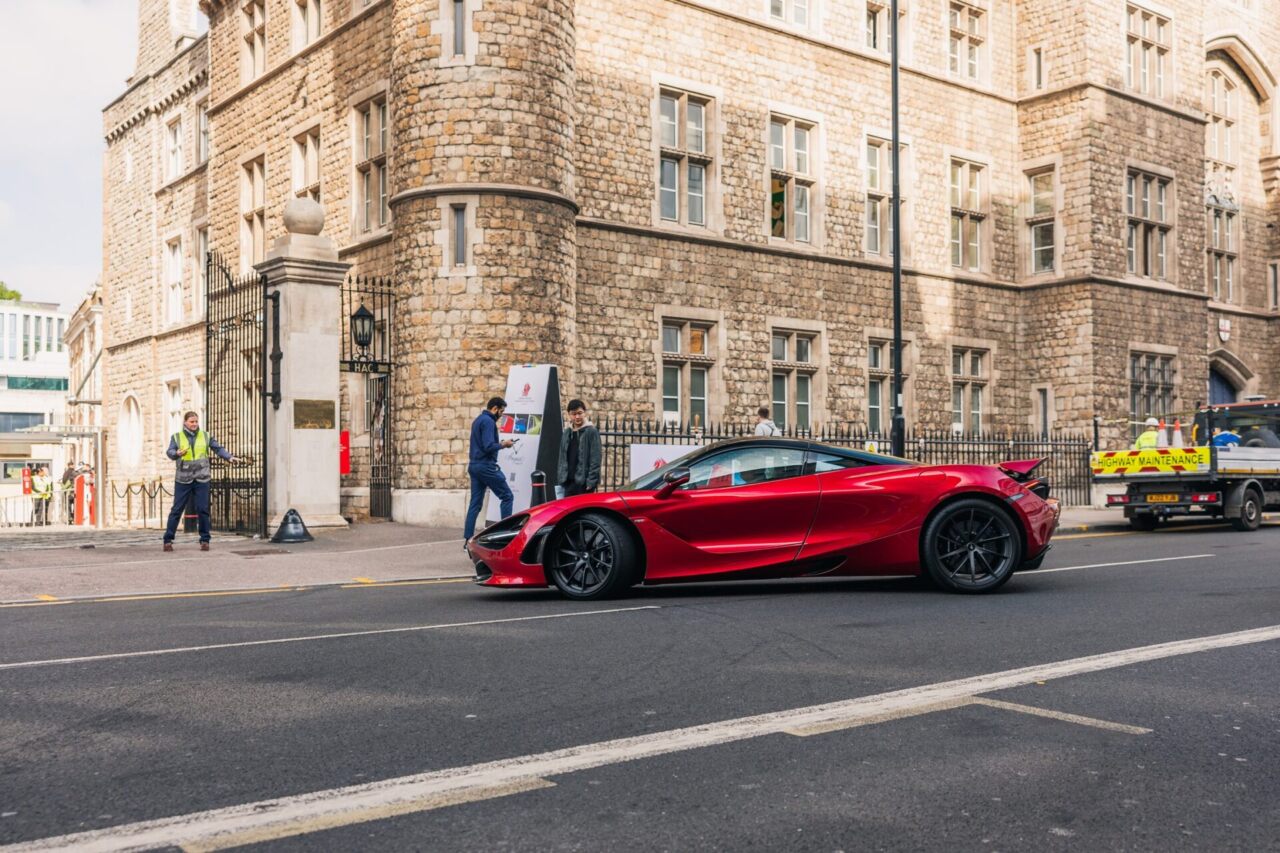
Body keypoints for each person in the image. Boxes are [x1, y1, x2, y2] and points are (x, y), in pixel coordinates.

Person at [163, 411, 236, 552]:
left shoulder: (205, 435)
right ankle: (168, 540)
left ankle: (204, 540)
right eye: (192, 421)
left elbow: (217, 448)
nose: (195, 424)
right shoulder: (177, 437)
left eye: (196, 421)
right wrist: (176, 453)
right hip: (183, 479)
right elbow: (170, 452)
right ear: (185, 423)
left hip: (202, 478)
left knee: (203, 509)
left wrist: (228, 457)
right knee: (176, 510)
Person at [464, 396, 515, 546]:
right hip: (486, 467)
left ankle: (467, 540)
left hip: (474, 465)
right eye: (501, 411)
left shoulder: (478, 420)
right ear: (495, 408)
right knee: (507, 496)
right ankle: (506, 536)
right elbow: (488, 446)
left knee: (475, 504)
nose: (501, 415)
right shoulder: (488, 422)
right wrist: (503, 444)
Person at [556, 399, 601, 499]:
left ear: (584, 413)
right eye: (573, 414)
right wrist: (561, 478)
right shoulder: (567, 432)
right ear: (569, 414)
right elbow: (562, 458)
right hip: (568, 483)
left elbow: (595, 459)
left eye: (579, 413)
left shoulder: (591, 432)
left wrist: (591, 481)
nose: (577, 417)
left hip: (584, 484)